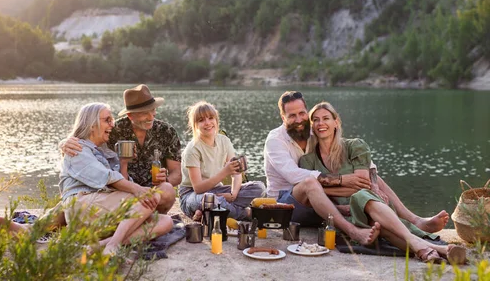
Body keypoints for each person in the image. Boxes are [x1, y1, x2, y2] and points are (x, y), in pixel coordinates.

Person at [264, 91, 449, 246]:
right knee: (312, 183)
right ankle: (352, 231)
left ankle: (415, 221)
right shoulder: (275, 140)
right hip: (287, 204)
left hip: (322, 202)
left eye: (302, 113)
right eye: (292, 115)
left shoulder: (314, 130)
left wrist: (374, 187)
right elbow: (294, 175)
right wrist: (343, 180)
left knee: (368, 180)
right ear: (283, 117)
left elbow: (362, 161)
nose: (299, 119)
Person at [299, 102, 466, 263]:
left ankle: (422, 244)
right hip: (345, 215)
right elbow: (314, 196)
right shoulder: (307, 161)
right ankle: (435, 250)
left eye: (326, 118)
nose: (321, 123)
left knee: (362, 197)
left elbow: (363, 184)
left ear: (336, 122)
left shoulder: (354, 146)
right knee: (382, 228)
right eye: (315, 119)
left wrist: (325, 190)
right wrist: (337, 197)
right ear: (312, 126)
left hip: (370, 204)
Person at [0, 102, 173, 256]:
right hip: (84, 209)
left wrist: (123, 163)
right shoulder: (77, 148)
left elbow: (117, 182)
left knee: (166, 221)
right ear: (91, 126)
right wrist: (139, 190)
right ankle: (113, 243)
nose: (112, 125)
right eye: (107, 120)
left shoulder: (105, 150)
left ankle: (101, 245)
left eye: (112, 120)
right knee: (150, 196)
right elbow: (106, 177)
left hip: (102, 211)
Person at [62, 84, 180, 213]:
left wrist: (165, 179)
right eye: (144, 113)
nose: (151, 117)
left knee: (168, 190)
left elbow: (177, 173)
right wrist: (64, 143)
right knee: (70, 205)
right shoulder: (113, 130)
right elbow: (89, 143)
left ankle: (147, 217)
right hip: (120, 192)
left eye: (153, 110)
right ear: (130, 115)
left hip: (152, 192)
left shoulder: (166, 131)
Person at [179, 101, 266, 221]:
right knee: (209, 199)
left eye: (211, 118)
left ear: (216, 120)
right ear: (195, 124)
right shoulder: (192, 149)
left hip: (217, 190)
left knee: (259, 188)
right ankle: (246, 214)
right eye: (201, 120)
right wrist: (225, 172)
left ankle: (209, 211)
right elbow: (198, 188)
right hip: (191, 195)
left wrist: (233, 194)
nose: (208, 123)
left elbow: (236, 173)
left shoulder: (224, 141)